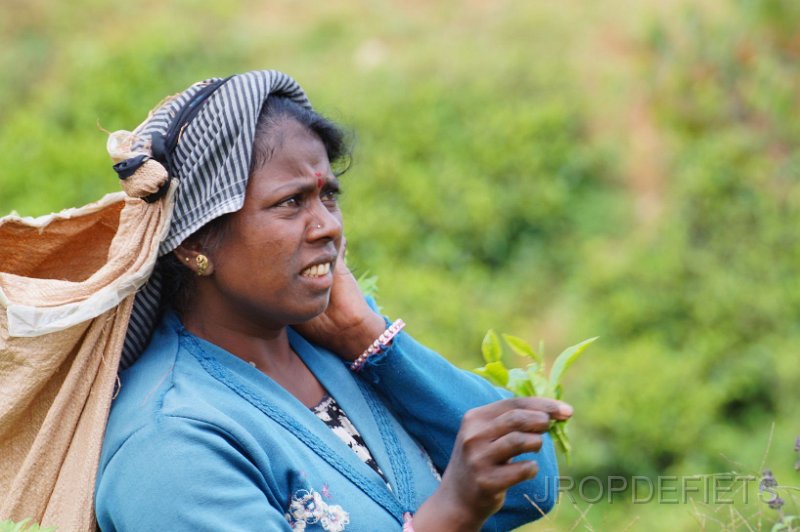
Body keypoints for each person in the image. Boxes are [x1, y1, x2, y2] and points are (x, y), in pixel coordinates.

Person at [94, 70, 572, 532]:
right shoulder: (169, 443)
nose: (327, 226)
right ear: (193, 244)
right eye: (290, 202)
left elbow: (534, 486)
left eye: (328, 197)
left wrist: (367, 337)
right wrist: (451, 514)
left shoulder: (338, 353)